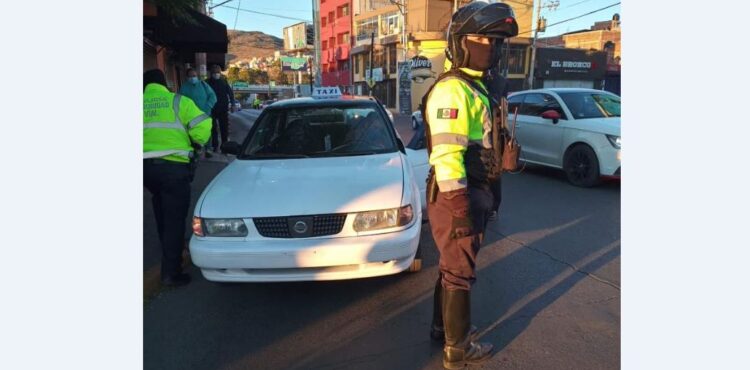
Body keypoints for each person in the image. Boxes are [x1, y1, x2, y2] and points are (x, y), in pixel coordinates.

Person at [421, 2, 518, 369]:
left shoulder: (476, 88)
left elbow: (482, 142)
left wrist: (502, 158)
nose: (489, 47)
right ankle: (457, 347)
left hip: (472, 192)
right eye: (481, 39)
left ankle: (440, 328)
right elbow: (447, 154)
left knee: (451, 267)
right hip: (456, 196)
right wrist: (460, 206)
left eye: (495, 41)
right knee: (460, 273)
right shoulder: (453, 91)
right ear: (460, 42)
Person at [143, 69, 212, 287]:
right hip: (174, 167)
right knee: (174, 217)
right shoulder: (178, 101)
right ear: (165, 84)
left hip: (145, 169)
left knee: (161, 207)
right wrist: (197, 142)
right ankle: (171, 272)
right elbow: (203, 127)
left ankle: (168, 247)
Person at [179, 68, 217, 158]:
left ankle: (208, 149)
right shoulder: (184, 87)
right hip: (191, 115)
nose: (193, 78)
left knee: (207, 130)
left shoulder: (204, 85)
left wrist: (208, 106)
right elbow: (180, 100)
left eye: (194, 76)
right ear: (187, 77)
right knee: (192, 132)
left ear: (197, 76)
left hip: (205, 113)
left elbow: (213, 96)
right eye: (190, 76)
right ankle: (197, 148)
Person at [205, 65, 236, 153]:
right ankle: (215, 146)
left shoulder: (224, 82)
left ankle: (224, 147)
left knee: (224, 129)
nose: (216, 74)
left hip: (223, 109)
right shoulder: (207, 83)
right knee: (213, 128)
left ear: (220, 73)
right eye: (214, 73)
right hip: (211, 109)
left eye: (218, 72)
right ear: (211, 74)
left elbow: (230, 94)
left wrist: (233, 104)